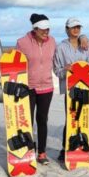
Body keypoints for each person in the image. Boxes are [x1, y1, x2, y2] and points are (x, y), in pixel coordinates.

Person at [53, 17, 89, 162]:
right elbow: (57, 70)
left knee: (82, 120)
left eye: (78, 27)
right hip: (70, 90)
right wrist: (65, 70)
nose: (76, 29)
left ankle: (81, 145)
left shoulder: (85, 46)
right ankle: (65, 148)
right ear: (67, 29)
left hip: (85, 89)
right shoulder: (61, 47)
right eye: (73, 27)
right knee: (71, 119)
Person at [16, 13, 56, 165]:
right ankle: (28, 150)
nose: (46, 32)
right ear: (34, 29)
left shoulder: (52, 41)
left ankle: (42, 152)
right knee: (27, 121)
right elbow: (16, 64)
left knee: (42, 120)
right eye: (43, 29)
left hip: (46, 86)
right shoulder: (22, 42)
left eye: (48, 29)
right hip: (29, 87)